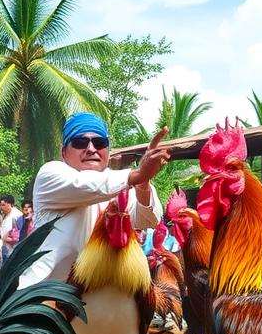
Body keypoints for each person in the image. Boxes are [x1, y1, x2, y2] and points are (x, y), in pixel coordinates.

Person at [19, 115, 167, 286]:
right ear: (63, 153)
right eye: (80, 142)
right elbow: (86, 185)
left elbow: (148, 219)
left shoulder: (119, 182)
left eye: (99, 143)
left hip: (101, 297)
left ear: (108, 151)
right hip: (45, 293)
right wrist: (139, 174)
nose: (91, 148)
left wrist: (143, 182)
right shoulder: (51, 174)